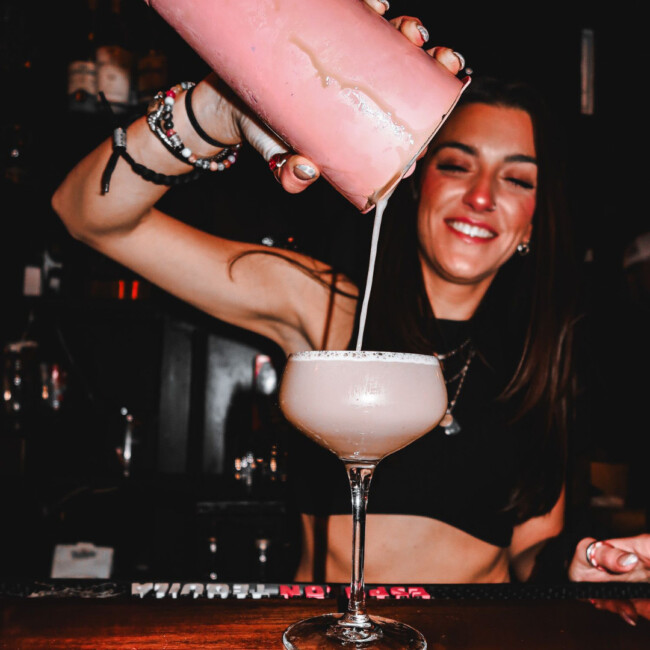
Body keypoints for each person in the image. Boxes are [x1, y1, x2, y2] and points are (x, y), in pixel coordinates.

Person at [51, 2, 649, 584]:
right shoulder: (326, 305)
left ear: (534, 221)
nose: (483, 197)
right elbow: (89, 217)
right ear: (413, 184)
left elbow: (529, 555)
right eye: (457, 165)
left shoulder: (542, 360)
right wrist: (212, 114)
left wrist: (581, 566)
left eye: (517, 179)